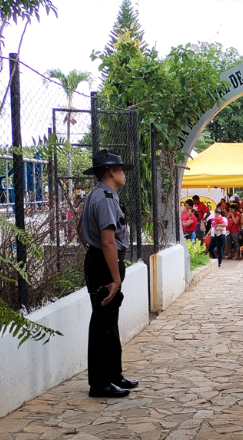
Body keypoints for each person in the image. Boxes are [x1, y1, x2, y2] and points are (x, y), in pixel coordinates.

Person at [76, 149, 138, 398]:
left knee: (109, 322)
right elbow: (109, 241)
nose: (124, 173)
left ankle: (113, 375)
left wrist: (91, 248)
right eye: (121, 169)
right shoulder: (105, 198)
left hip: (98, 259)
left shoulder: (97, 195)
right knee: (103, 323)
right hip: (105, 262)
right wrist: (114, 278)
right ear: (111, 171)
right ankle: (100, 384)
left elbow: (80, 229)